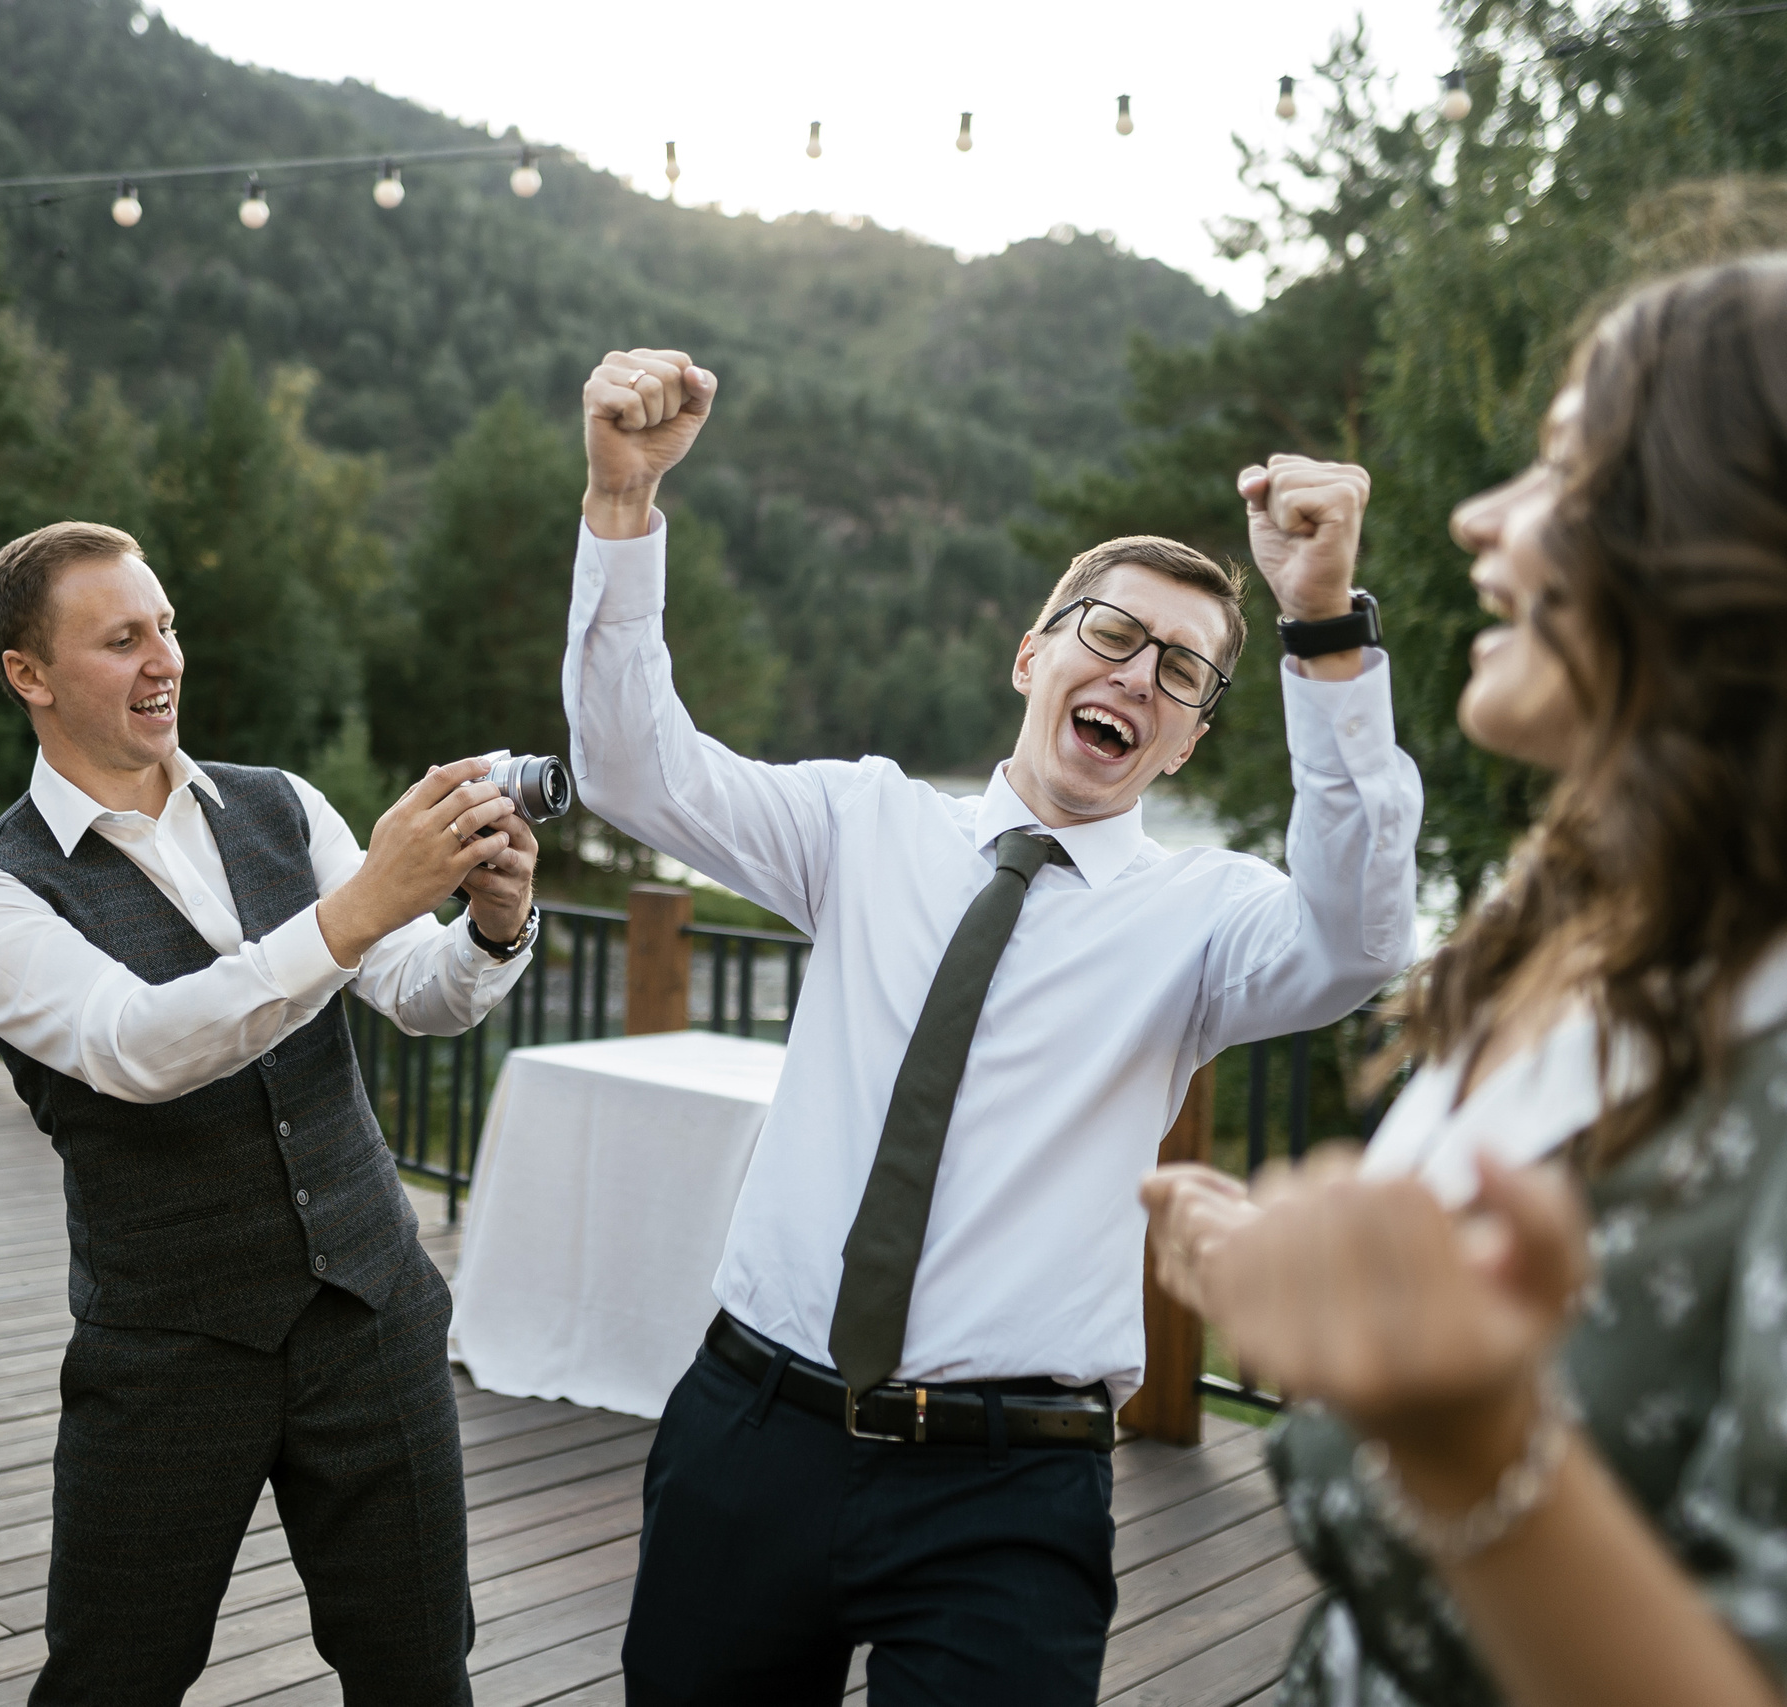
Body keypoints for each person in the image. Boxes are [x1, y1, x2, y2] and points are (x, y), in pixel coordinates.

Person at [1142, 256, 1787, 1707]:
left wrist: (1481, 1446)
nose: (1479, 517)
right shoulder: (1600, 938)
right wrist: (1335, 1280)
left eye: (1571, 467)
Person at [564, 348, 1423, 1703]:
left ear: (1189, 737)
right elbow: (630, 763)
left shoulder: (1209, 916)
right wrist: (623, 502)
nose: (1140, 676)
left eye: (1184, 671)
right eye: (1112, 634)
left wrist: (1321, 623)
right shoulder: (864, 822)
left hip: (1009, 1488)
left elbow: (1364, 936)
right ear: (1034, 652)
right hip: (752, 1428)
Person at [0, 520, 545, 1706]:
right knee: (116, 1674)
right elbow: (138, 1048)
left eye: (166, 626)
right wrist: (361, 905)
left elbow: (418, 993)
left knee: (419, 1665)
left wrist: (491, 927)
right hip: (169, 1349)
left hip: (374, 1313)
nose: (164, 659)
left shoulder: (281, 805)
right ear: (28, 675)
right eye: (121, 638)